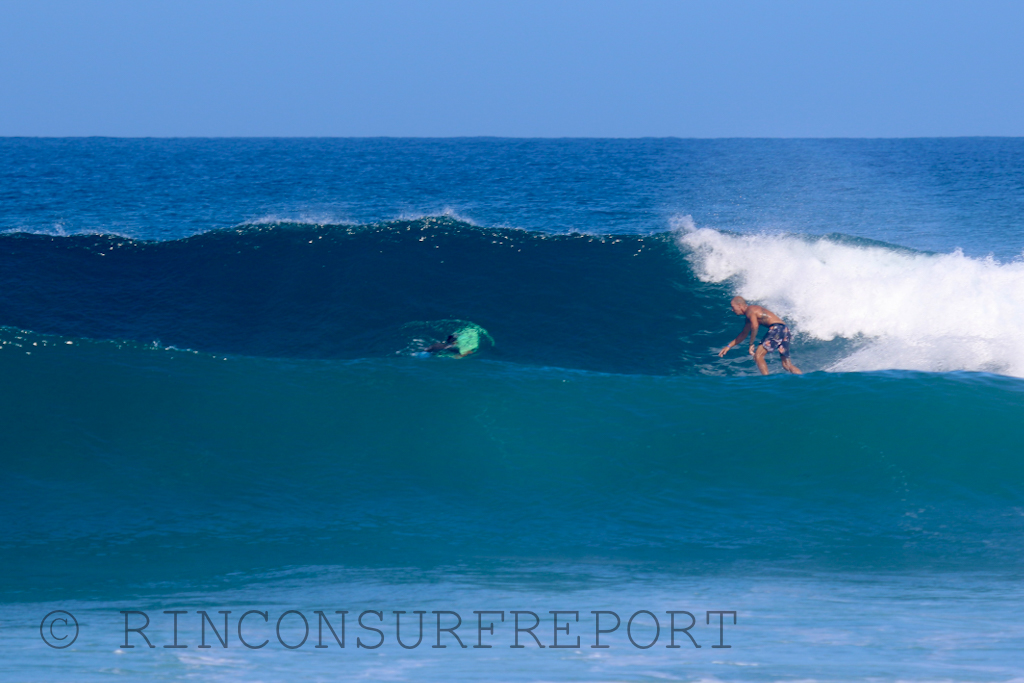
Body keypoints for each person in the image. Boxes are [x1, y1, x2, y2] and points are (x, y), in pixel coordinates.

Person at [718, 296, 802, 375]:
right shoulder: (750, 315)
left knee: (758, 356)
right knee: (786, 365)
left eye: (733, 307)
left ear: (739, 305)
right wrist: (728, 346)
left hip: (776, 329)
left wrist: (751, 344)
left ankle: (767, 381)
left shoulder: (750, 310)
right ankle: (801, 378)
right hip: (784, 329)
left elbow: (755, 326)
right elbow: (743, 334)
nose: (732, 310)